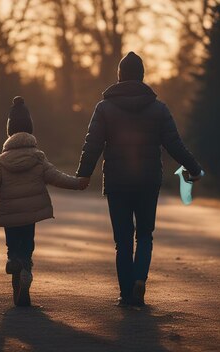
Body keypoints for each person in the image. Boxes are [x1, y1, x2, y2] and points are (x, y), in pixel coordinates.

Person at [76, 52, 203, 307]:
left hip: (117, 183)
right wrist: (195, 169)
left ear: (120, 76)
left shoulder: (104, 108)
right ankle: (140, 279)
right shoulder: (158, 109)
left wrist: (83, 175)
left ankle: (126, 294)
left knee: (122, 240)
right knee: (145, 235)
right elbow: (174, 144)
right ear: (142, 76)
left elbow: (92, 145)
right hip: (147, 182)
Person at [0, 96, 88, 306]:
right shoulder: (38, 157)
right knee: (27, 246)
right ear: (30, 129)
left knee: (13, 247)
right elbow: (57, 177)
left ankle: (13, 266)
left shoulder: (0, 162)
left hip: (10, 216)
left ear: (9, 131)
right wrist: (78, 183)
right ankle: (25, 277)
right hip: (30, 215)